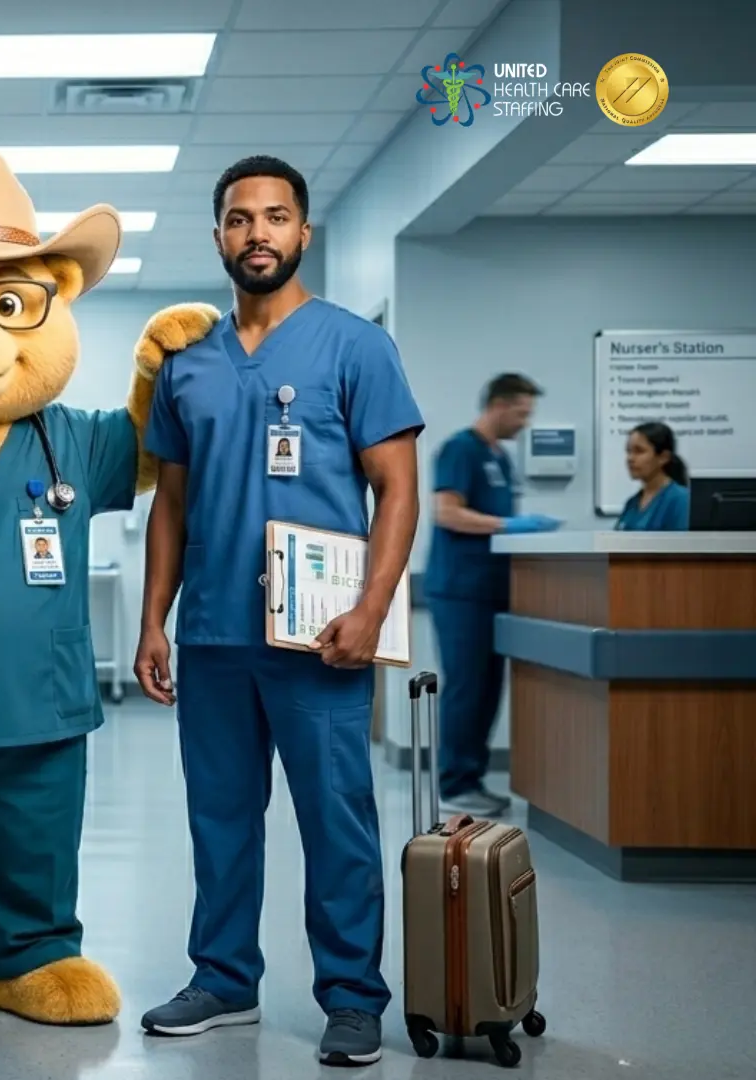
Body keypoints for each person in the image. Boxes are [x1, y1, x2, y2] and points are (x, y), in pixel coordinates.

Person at [133, 155, 424, 1067]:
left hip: (321, 636)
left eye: (275, 217)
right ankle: (223, 979)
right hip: (217, 632)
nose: (257, 233)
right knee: (220, 817)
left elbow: (399, 488)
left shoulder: (354, 346)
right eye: (238, 218)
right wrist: (153, 621)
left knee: (336, 818)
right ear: (218, 235)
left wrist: (374, 610)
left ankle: (350, 997)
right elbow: (170, 504)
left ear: (303, 234)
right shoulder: (188, 360)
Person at [424, 374, 561, 818]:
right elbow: (446, 512)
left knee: (487, 690)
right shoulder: (461, 449)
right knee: (466, 687)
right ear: (498, 405)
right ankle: (453, 784)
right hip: (461, 591)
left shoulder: (499, 457)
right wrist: (508, 526)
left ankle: (472, 778)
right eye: (521, 413)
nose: (525, 423)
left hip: (493, 591)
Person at [617, 421, 691, 531]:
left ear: (663, 457)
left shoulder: (680, 500)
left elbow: (682, 546)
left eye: (639, 451)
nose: (630, 458)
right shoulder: (632, 503)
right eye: (629, 451)